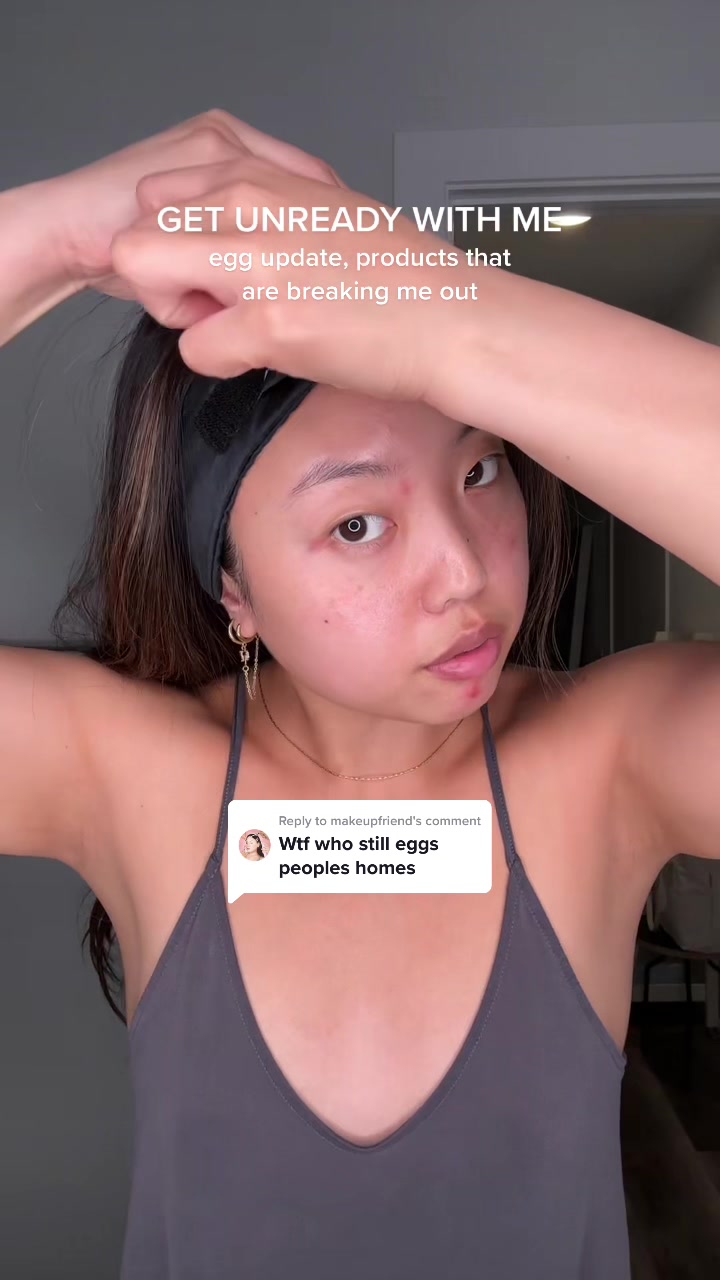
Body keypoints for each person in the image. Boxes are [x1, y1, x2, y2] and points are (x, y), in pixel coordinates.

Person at [0, 109, 718, 1280]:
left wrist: (458, 322)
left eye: (480, 464)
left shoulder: (610, 760)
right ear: (233, 586)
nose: (466, 570)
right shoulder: (125, 771)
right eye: (357, 523)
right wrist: (48, 238)